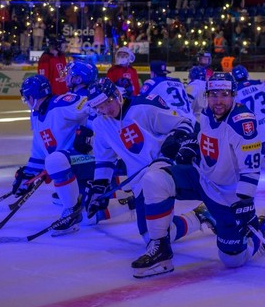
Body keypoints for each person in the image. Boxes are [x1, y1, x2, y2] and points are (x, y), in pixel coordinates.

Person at [130, 72, 265, 279]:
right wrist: (191, 146)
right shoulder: (206, 113)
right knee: (154, 179)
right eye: (213, 94)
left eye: (224, 94)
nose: (218, 100)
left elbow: (250, 169)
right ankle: (160, 249)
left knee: (232, 260)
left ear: (233, 95)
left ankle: (260, 232)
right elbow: (205, 141)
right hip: (201, 178)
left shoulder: (242, 123)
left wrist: (245, 203)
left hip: (226, 196)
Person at [84, 78, 208, 237]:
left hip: (166, 170)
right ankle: (198, 216)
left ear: (116, 94)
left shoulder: (144, 107)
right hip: (139, 182)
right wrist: (99, 187)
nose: (106, 110)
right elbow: (104, 159)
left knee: (158, 234)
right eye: (100, 107)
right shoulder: (100, 124)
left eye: (108, 102)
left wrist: (175, 138)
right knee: (152, 235)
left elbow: (184, 123)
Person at [15, 74, 95, 232]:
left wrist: (90, 132)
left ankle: (71, 211)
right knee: (53, 160)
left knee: (54, 161)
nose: (26, 101)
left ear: (32, 96)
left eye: (26, 97)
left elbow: (94, 104)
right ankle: (74, 201)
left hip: (91, 157)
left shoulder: (61, 103)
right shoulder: (36, 115)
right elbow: (39, 151)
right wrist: (27, 175)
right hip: (73, 161)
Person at [232, 64, 265, 172]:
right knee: (260, 134)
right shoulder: (261, 83)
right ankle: (264, 157)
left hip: (253, 130)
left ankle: (257, 158)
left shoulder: (235, 92)